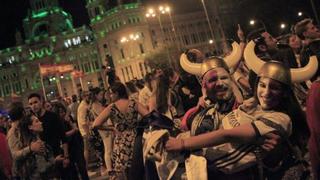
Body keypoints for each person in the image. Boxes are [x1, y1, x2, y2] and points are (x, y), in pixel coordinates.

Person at [166, 41, 317, 179]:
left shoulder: (247, 107)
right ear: (203, 85)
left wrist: (275, 151)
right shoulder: (195, 115)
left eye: (224, 78)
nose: (219, 83)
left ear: (231, 79)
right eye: (212, 80)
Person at [93, 82, 149, 179]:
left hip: (121, 141)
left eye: (111, 93)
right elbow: (148, 115)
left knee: (123, 170)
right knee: (139, 168)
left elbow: (96, 124)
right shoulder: (133, 103)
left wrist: (111, 128)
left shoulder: (111, 107)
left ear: (117, 93)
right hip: (136, 139)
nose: (110, 96)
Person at [28, 93, 70, 179]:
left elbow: (63, 137)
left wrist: (66, 157)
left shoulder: (53, 116)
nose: (33, 106)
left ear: (41, 101)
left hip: (57, 155)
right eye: (31, 104)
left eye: (35, 102)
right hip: (43, 161)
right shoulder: (32, 121)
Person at [17, 113, 64, 179]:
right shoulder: (36, 144)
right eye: (37, 121)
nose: (41, 123)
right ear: (30, 127)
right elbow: (42, 168)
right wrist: (55, 161)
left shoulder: (33, 141)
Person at [53, 103, 89, 180]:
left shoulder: (68, 118)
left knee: (82, 167)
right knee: (73, 170)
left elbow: (76, 128)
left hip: (75, 145)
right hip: (67, 148)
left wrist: (69, 122)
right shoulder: (57, 122)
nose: (62, 114)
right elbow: (63, 135)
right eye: (60, 112)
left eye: (63, 111)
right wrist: (73, 131)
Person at [90, 87, 111, 176]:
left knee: (109, 149)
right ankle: (109, 168)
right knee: (108, 149)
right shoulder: (95, 105)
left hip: (105, 127)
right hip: (104, 129)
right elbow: (104, 114)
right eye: (101, 95)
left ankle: (110, 167)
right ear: (96, 95)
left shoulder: (97, 103)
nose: (102, 96)